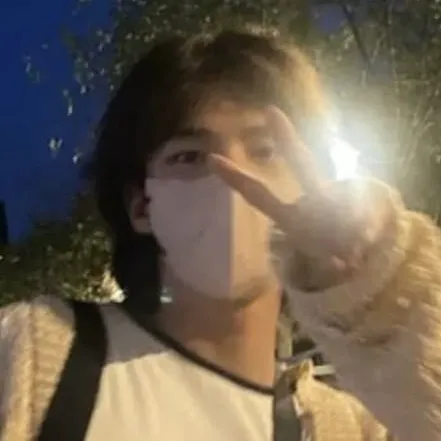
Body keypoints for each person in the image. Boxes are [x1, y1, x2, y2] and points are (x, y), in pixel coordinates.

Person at [1, 26, 441, 441]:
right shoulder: (36, 354)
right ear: (141, 206)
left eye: (265, 150)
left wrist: (384, 286)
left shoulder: (352, 426)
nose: (233, 180)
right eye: (190, 157)